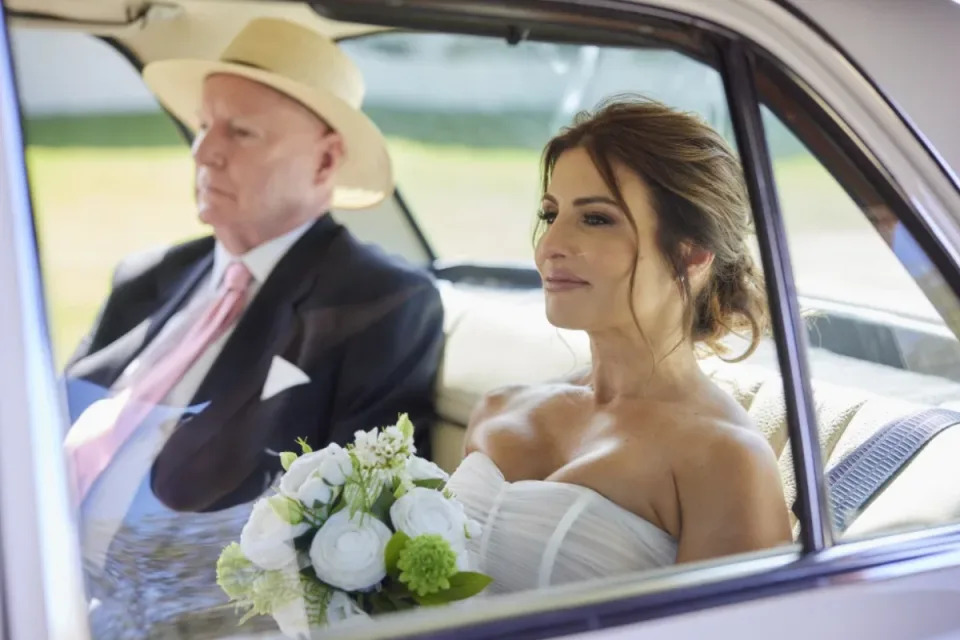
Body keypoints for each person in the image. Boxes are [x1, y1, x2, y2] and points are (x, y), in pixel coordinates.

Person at [61, 17, 444, 637]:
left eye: (240, 131)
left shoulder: (379, 304)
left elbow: (353, 532)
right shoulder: (147, 277)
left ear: (325, 160)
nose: (205, 150)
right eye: (205, 124)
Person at [446, 97, 792, 595]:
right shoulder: (499, 409)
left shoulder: (724, 461)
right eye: (550, 214)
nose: (549, 246)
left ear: (690, 253)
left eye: (596, 219)